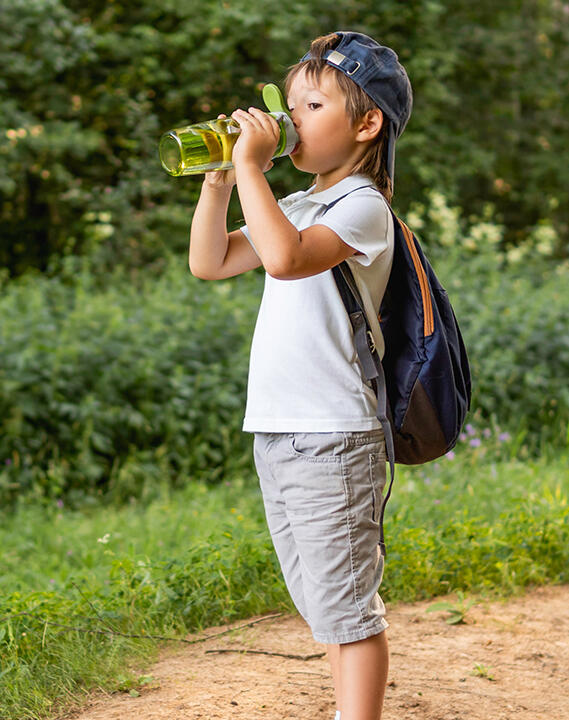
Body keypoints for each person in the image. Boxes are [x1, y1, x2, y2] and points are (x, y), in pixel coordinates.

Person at [186, 30, 413, 720]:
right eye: (288, 106)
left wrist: (254, 170)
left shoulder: (363, 208)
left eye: (310, 107)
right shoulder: (297, 203)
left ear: (366, 123)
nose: (288, 122)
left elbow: (285, 260)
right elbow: (211, 261)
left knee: (346, 607)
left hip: (334, 434)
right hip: (281, 430)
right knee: (320, 598)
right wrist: (222, 179)